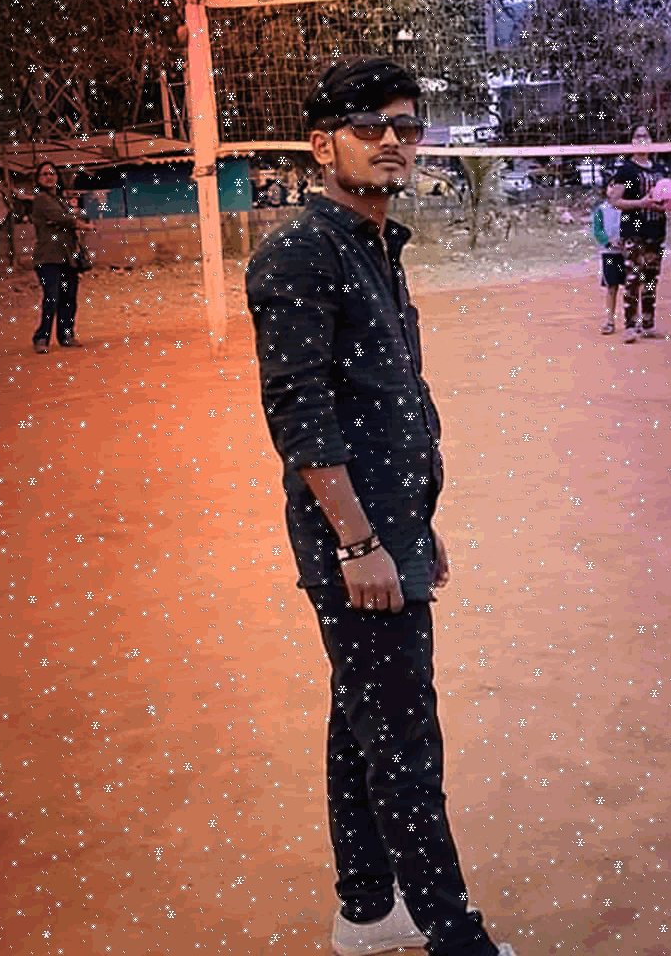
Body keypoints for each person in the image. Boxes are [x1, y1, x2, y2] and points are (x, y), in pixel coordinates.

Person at [245, 57, 516, 956]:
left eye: (405, 125)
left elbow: (393, 400)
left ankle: (366, 910)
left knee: (360, 718)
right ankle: (455, 938)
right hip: (352, 538)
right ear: (322, 146)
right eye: (369, 126)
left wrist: (416, 525)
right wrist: (361, 543)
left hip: (388, 526)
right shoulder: (300, 253)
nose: (393, 140)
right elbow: (301, 413)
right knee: (403, 741)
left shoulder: (373, 246)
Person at [606, 125, 671, 344]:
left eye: (645, 136)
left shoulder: (660, 169)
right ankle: (630, 326)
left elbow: (670, 195)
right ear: (632, 142)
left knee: (651, 280)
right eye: (637, 136)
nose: (642, 140)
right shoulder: (626, 170)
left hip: (656, 230)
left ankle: (648, 325)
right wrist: (641, 203)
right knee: (633, 279)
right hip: (634, 231)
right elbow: (615, 201)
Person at [29, 162, 94, 354]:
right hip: (48, 259)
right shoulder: (41, 199)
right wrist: (80, 224)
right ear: (38, 179)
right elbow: (60, 218)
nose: (49, 177)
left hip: (67, 257)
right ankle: (42, 337)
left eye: (52, 173)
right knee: (52, 298)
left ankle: (66, 335)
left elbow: (67, 217)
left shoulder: (59, 199)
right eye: (44, 174)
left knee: (69, 298)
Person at [591, 194, 624, 334]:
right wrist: (609, 242)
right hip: (609, 253)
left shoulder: (629, 207)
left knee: (632, 287)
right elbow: (597, 231)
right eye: (611, 186)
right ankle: (610, 321)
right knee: (611, 287)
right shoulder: (601, 209)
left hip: (628, 252)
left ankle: (633, 321)